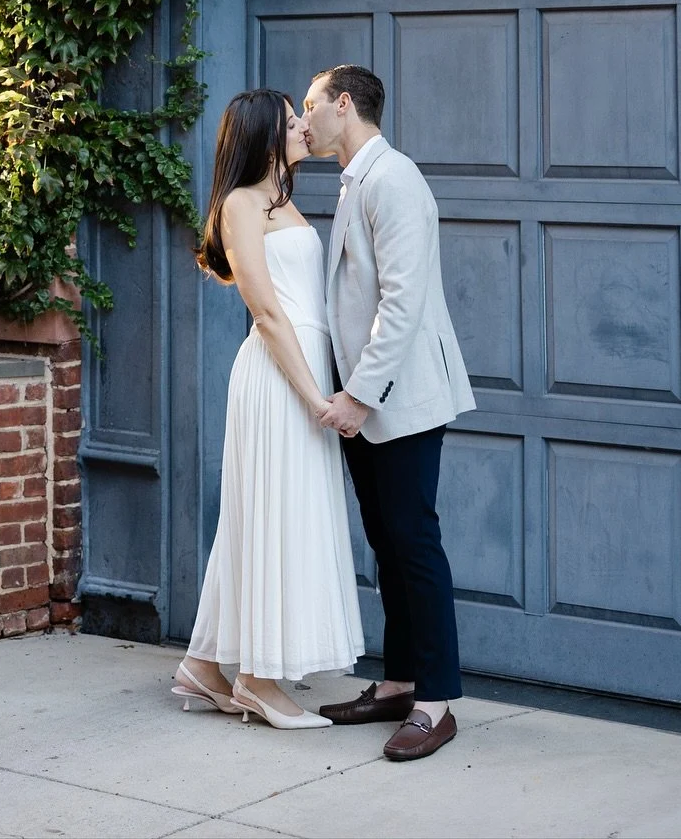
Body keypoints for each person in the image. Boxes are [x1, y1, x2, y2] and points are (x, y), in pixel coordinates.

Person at [174, 88, 364, 729]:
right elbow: (266, 311)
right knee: (272, 515)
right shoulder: (241, 203)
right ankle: (257, 680)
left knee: (262, 517)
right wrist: (315, 397)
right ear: (260, 135)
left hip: (303, 368)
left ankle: (204, 666)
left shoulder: (286, 201)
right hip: (277, 376)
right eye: (289, 122)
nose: (302, 128)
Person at [305, 63, 476, 761]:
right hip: (366, 401)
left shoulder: (394, 178)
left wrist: (356, 394)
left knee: (414, 542)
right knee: (388, 544)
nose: (304, 117)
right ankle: (401, 681)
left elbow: (400, 304)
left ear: (344, 105)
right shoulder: (355, 181)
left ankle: (435, 703)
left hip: (397, 398)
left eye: (311, 104)